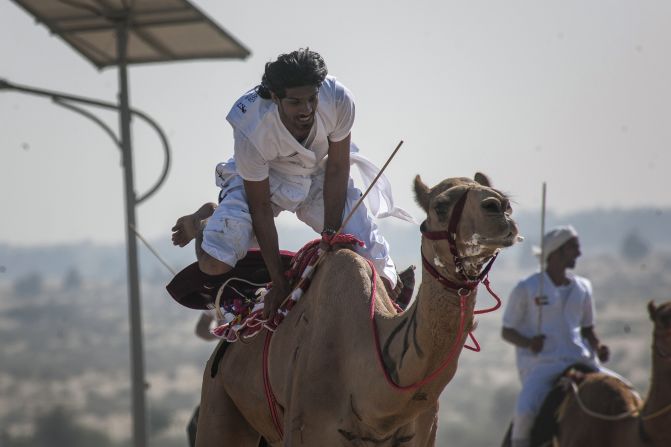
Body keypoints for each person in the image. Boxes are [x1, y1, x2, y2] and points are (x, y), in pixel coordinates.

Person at [172, 48, 414, 319]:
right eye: (296, 102)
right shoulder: (251, 128)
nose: (307, 109)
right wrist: (278, 282)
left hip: (318, 172)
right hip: (261, 182)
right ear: (275, 97)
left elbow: (336, 168)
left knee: (378, 274)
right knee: (215, 262)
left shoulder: (338, 99)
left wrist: (331, 235)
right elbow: (261, 207)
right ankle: (205, 221)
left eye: (312, 99)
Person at [501, 225, 621, 447]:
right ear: (556, 251)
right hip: (544, 366)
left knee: (626, 391)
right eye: (573, 247)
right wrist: (529, 343)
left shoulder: (583, 287)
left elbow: (587, 329)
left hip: (581, 359)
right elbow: (507, 330)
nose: (579, 253)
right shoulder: (527, 287)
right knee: (525, 413)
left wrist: (599, 346)